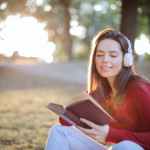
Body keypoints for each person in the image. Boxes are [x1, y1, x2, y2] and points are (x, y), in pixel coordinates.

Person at [45, 28, 150, 150]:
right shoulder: (101, 92)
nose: (105, 60)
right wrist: (69, 113)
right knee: (58, 131)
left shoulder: (139, 89)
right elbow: (66, 124)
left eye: (113, 55)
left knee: (125, 146)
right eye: (100, 55)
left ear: (126, 59)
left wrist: (110, 134)